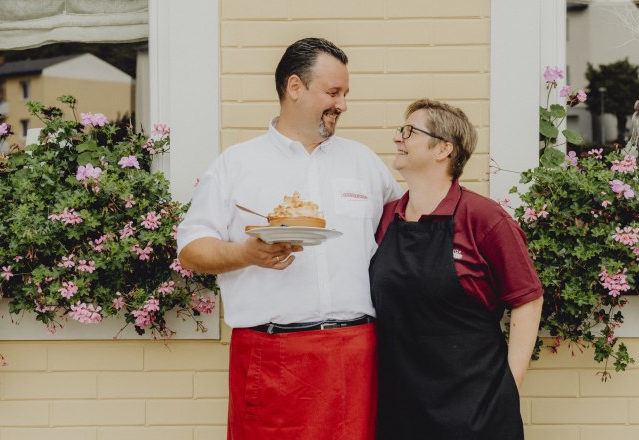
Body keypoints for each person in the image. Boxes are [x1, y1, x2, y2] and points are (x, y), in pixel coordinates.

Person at [177, 38, 401, 440]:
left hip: (355, 354)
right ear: (294, 87)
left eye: (346, 94)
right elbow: (191, 250)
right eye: (333, 92)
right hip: (271, 357)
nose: (343, 105)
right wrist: (246, 252)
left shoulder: (364, 162)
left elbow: (405, 236)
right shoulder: (236, 165)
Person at [370, 99, 543, 439]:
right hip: (400, 411)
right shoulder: (387, 217)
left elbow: (528, 299)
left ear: (444, 149)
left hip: (476, 412)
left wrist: (507, 387)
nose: (397, 139)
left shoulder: (484, 218)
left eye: (409, 131)